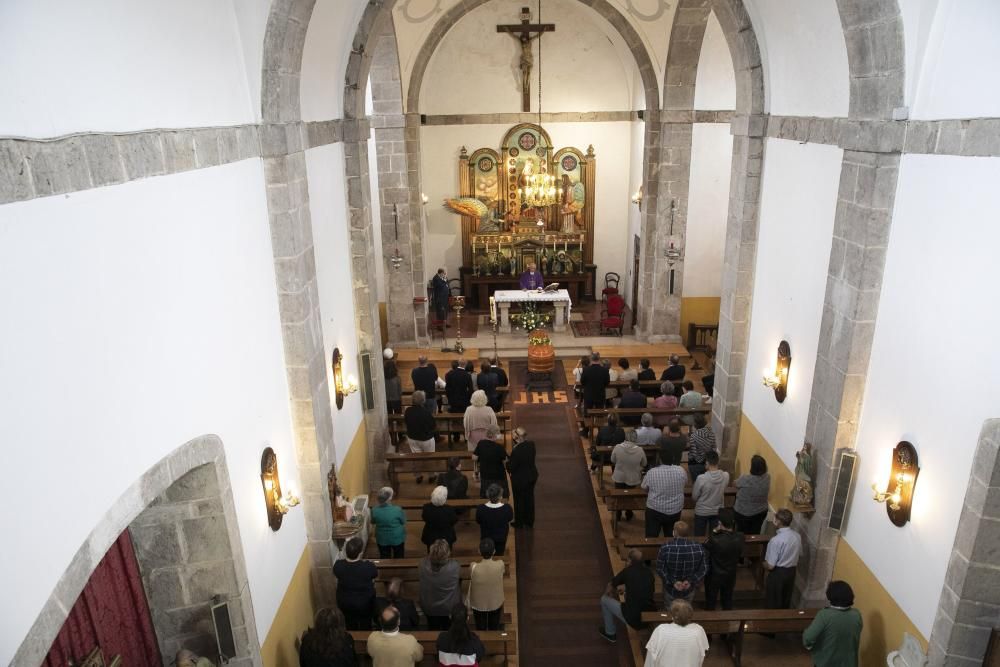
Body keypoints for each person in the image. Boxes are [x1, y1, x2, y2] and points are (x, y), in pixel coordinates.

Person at [598, 548, 656, 644]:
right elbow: (642, 587)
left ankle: (610, 633)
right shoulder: (649, 573)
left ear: (629, 561)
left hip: (633, 617)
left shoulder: (627, 571)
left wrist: (609, 595)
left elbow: (610, 585)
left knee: (604, 600)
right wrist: (627, 588)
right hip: (649, 612)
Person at [803, 580, 863, 667]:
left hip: (826, 662)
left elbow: (808, 637)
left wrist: (810, 646)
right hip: (849, 663)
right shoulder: (856, 615)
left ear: (830, 596)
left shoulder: (824, 615)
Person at [643, 599, 709, 667]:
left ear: (672, 615)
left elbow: (650, 658)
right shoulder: (698, 631)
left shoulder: (661, 630)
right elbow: (702, 656)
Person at [655, 521, 708, 604]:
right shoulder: (699, 547)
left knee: (670, 609)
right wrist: (691, 580)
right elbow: (704, 568)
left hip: (671, 588)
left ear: (674, 532)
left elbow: (659, 568)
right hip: (689, 588)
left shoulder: (666, 547)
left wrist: (673, 581)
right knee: (685, 611)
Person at [703, 509, 745, 611]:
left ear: (720, 523)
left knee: (711, 598)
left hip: (714, 574)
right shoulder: (740, 537)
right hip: (731, 573)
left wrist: (714, 532)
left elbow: (706, 544)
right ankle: (727, 616)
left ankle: (710, 614)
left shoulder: (715, 539)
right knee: (727, 598)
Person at [333, 537, 378, 630]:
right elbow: (375, 574)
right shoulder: (368, 567)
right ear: (360, 553)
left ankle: (352, 637)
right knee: (366, 623)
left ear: (346, 552)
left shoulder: (338, 566)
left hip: (345, 603)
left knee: (349, 623)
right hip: (365, 603)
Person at [641, 454, 688, 537]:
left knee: (651, 536)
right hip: (675, 509)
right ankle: (669, 548)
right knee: (671, 535)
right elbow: (685, 483)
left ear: (660, 460)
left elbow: (644, 487)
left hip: (655, 509)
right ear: (673, 460)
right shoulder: (681, 471)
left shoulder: (652, 472)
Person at [419, 539, 461, 631]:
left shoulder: (422, 565)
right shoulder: (454, 566)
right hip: (449, 608)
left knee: (433, 629)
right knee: (449, 631)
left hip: (429, 607)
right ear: (447, 554)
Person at [764, 508, 801, 609]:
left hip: (778, 574)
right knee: (785, 600)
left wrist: (764, 564)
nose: (774, 519)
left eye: (775, 518)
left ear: (778, 521)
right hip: (791, 572)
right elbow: (799, 554)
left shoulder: (776, 540)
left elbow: (771, 566)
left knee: (773, 601)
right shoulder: (797, 536)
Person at [469, 538, 506, 630]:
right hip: (495, 601)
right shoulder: (500, 564)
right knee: (494, 626)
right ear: (494, 551)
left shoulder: (473, 566)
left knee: (480, 626)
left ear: (479, 551)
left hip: (478, 603)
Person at [691, 450, 729, 536]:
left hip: (702, 511)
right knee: (714, 536)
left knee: (699, 536)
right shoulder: (726, 476)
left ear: (707, 462)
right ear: (718, 461)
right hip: (717, 511)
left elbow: (694, 497)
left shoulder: (701, 478)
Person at [611, 430, 646, 522]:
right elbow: (644, 463)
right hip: (633, 477)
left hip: (619, 476)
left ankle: (618, 514)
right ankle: (629, 513)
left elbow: (613, 460)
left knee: (619, 495)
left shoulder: (618, 447)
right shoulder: (640, 450)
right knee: (630, 496)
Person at [507, 426, 538, 528]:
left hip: (520, 479)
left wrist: (507, 463)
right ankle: (529, 522)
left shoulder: (517, 451)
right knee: (529, 499)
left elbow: (511, 468)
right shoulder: (531, 445)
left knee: (519, 500)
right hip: (531, 476)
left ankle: (519, 522)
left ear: (516, 438)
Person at [404, 391, 436, 483]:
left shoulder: (408, 411)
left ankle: (418, 476)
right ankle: (431, 475)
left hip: (412, 438)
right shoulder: (426, 412)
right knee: (430, 457)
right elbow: (433, 426)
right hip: (426, 439)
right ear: (423, 401)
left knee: (416, 458)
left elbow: (406, 422)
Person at [734, 454, 771, 535]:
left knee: (741, 531)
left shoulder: (745, 478)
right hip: (760, 512)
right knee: (755, 532)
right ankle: (753, 545)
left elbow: (735, 484)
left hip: (743, 512)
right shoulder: (767, 478)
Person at [476, 483, 514, 555]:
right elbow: (510, 518)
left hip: (486, 538)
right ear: (500, 497)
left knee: (486, 555)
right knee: (500, 554)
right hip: (501, 538)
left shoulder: (480, 508)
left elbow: (478, 521)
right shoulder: (507, 508)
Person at [473, 426, 509, 498]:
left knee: (485, 495)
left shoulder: (481, 443)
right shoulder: (499, 447)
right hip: (498, 477)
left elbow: (474, 457)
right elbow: (506, 461)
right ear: (495, 435)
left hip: (485, 475)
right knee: (499, 496)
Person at [371, 486, 406, 558]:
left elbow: (373, 522)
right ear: (390, 498)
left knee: (384, 556)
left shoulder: (374, 510)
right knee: (399, 555)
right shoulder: (397, 509)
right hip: (397, 537)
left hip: (382, 538)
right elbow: (403, 521)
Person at [580, 352, 610, 432]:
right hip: (600, 394)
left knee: (587, 414)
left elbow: (582, 382)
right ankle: (601, 432)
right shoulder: (604, 370)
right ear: (599, 359)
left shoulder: (586, 370)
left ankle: (586, 431)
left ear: (591, 359)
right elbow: (607, 383)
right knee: (600, 414)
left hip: (589, 395)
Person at [421, 485, 458, 551]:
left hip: (431, 535)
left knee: (431, 553)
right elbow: (454, 520)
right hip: (446, 536)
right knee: (447, 553)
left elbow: (424, 518)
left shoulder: (426, 508)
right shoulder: (449, 509)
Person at [687, 414, 716, 483]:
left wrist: (691, 458)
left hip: (696, 463)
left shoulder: (694, 436)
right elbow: (714, 448)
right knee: (706, 481)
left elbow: (693, 453)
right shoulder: (711, 433)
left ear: (695, 424)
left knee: (697, 482)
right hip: (708, 461)